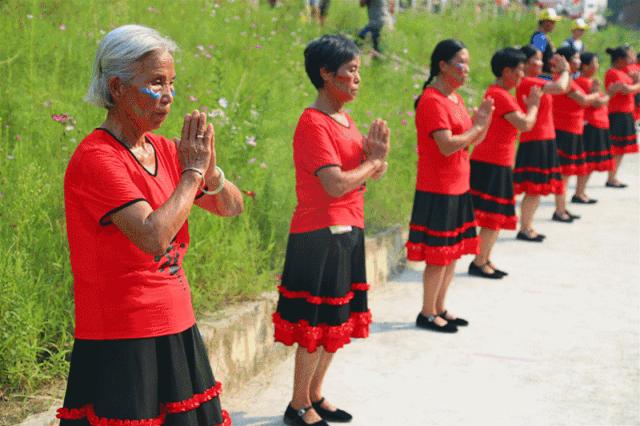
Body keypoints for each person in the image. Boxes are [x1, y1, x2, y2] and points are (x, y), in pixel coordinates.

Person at [57, 25, 243, 426]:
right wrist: (192, 174)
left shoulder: (161, 149)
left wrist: (211, 174)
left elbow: (232, 207)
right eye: (156, 83)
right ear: (117, 87)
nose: (169, 96)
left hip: (177, 322)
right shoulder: (97, 158)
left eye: (172, 83)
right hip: (122, 335)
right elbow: (153, 236)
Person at [273, 35, 389, 426]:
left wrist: (376, 161)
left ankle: (316, 394)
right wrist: (372, 165)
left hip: (349, 229)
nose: (357, 79)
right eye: (350, 71)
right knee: (314, 323)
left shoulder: (346, 119)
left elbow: (362, 173)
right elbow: (335, 183)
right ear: (325, 74)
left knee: (336, 321)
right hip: (317, 235)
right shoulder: (313, 123)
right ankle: (297, 404)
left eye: (358, 71)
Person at [407, 39, 494, 332]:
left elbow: (469, 140)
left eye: (468, 62)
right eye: (460, 62)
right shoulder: (431, 100)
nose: (466, 69)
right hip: (438, 188)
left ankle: (441, 306)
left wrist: (482, 124)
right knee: (438, 254)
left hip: (458, 185)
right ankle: (427, 312)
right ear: (442, 65)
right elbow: (446, 145)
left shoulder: (455, 99)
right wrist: (477, 128)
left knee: (453, 251)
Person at [468, 47, 541, 279]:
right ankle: (479, 261)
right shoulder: (499, 95)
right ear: (507, 71)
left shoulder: (502, 93)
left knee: (495, 216)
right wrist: (534, 105)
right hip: (491, 162)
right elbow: (525, 124)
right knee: (492, 215)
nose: (522, 75)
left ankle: (485, 258)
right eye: (520, 70)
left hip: (498, 161)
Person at [513, 45, 570, 241]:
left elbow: (562, 86)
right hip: (536, 139)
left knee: (536, 190)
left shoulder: (537, 80)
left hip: (544, 137)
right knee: (533, 188)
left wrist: (560, 72)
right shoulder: (528, 82)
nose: (540, 62)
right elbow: (561, 87)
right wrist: (565, 70)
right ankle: (525, 227)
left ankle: (528, 226)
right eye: (535, 60)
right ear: (525, 64)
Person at [551, 45, 602, 217]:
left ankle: (562, 207)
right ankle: (559, 209)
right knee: (564, 173)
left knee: (567, 172)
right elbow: (583, 100)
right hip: (565, 130)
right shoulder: (563, 80)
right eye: (576, 58)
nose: (579, 62)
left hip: (573, 129)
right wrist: (597, 94)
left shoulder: (569, 79)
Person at [574, 52, 614, 199]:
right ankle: (579, 192)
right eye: (594, 63)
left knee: (590, 162)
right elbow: (598, 102)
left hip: (598, 123)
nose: (597, 66)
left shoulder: (590, 81)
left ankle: (581, 191)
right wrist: (610, 93)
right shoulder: (583, 82)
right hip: (592, 124)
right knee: (589, 161)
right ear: (585, 66)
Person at [604, 45, 640, 188]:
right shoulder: (613, 73)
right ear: (620, 59)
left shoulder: (622, 72)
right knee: (617, 147)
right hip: (618, 113)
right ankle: (611, 177)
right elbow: (626, 89)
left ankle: (613, 176)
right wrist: (637, 84)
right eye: (627, 57)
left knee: (621, 149)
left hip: (626, 112)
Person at [530, 8, 561, 74]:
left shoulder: (543, 36)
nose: (554, 24)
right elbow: (538, 59)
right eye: (552, 22)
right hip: (542, 75)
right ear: (545, 22)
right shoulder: (540, 37)